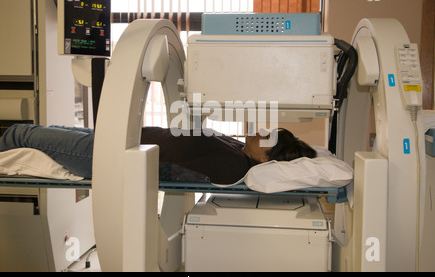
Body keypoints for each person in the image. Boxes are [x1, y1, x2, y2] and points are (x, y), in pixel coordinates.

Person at [0, 124, 316, 184]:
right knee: (34, 130)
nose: (263, 130)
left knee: (19, 134)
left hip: (111, 155)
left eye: (269, 138)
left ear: (265, 159)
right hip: (116, 137)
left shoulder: (234, 165)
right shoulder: (238, 147)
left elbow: (177, 171)